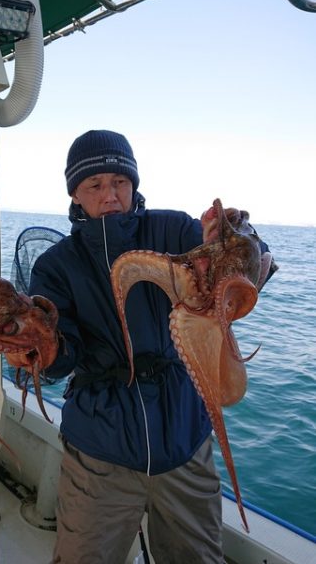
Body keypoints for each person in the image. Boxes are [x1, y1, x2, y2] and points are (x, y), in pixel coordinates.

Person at [28, 130, 272, 564]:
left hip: (184, 440)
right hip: (100, 453)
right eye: (95, 186)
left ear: (134, 185)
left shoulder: (173, 229)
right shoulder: (56, 265)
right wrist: (37, 350)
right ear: (75, 194)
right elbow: (59, 359)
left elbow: (249, 270)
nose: (110, 196)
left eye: (120, 182)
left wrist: (237, 242)